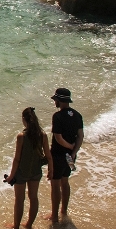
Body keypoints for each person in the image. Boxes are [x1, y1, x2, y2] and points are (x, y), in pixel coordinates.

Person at [4, 107, 53, 229]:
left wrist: (11, 176)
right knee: (34, 198)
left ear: (24, 119)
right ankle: (29, 224)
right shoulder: (42, 135)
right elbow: (48, 156)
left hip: (21, 172)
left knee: (19, 200)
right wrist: (51, 170)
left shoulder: (21, 136)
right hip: (36, 172)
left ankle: (16, 226)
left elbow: (17, 159)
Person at [46, 87, 84, 222]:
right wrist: (73, 151)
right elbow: (80, 136)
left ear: (59, 100)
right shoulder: (77, 115)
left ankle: (54, 215)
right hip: (70, 156)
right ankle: (64, 211)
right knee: (65, 181)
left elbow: (58, 138)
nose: (55, 102)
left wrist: (69, 146)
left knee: (55, 184)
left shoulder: (57, 116)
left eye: (56, 99)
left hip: (58, 155)